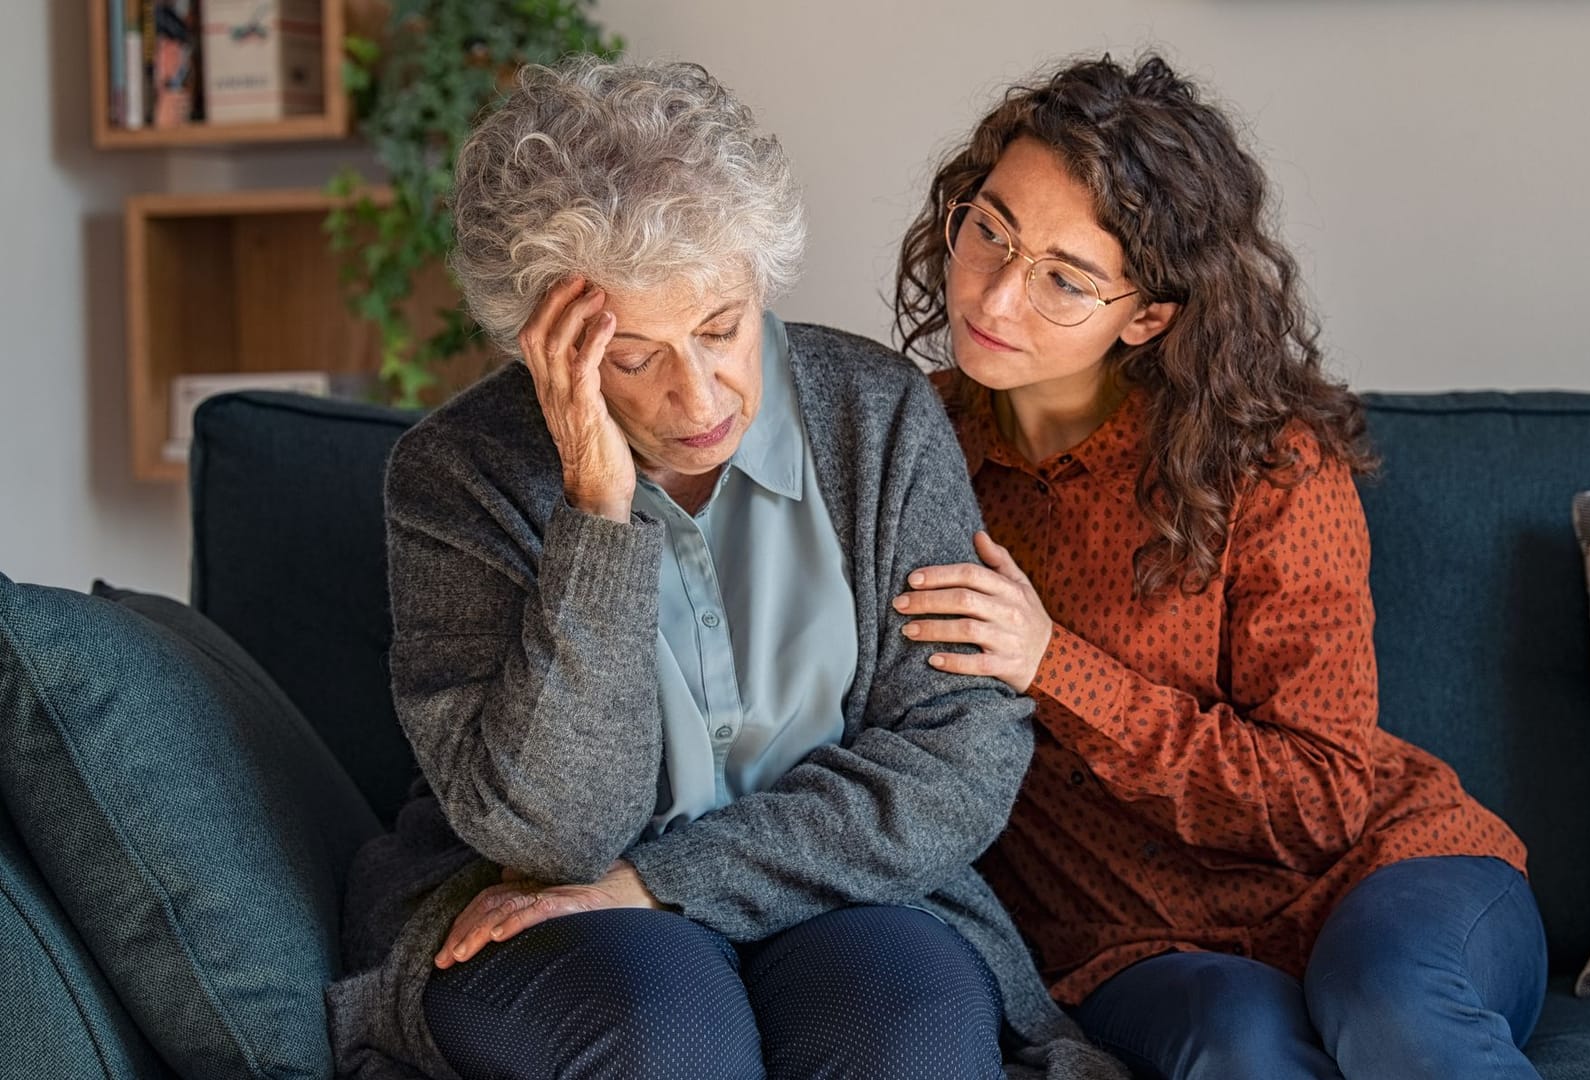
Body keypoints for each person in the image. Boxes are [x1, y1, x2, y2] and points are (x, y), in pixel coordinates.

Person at [325, 56, 1127, 1080]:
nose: (698, 399)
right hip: (536, 904)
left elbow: (954, 761)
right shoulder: (458, 477)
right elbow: (555, 836)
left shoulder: (875, 420)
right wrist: (597, 517)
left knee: (906, 1040)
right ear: (544, 346)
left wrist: (665, 882)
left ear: (760, 282)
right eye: (631, 356)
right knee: (670, 1040)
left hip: (850, 889)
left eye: (719, 329)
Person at [891, 54, 1548, 1079]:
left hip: (1386, 876)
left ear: (1147, 315)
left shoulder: (1267, 466)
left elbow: (1325, 797)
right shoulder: (906, 449)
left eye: (1064, 277)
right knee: (1242, 1049)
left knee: (1394, 1014)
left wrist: (1051, 664)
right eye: (990, 229)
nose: (999, 293)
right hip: (1129, 943)